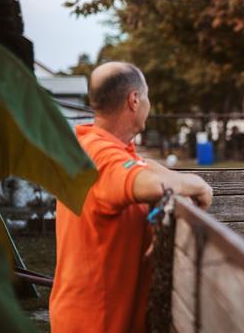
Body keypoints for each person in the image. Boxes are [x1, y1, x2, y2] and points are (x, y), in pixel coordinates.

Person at [49, 62, 213, 333]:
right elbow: (150, 182)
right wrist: (199, 186)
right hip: (95, 323)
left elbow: (139, 164)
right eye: (146, 95)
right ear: (134, 99)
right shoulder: (100, 158)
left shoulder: (95, 145)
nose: (148, 103)